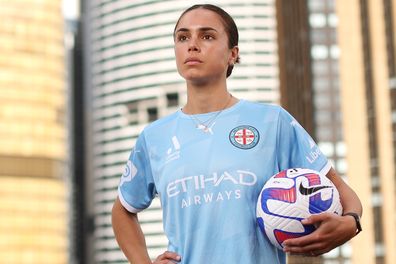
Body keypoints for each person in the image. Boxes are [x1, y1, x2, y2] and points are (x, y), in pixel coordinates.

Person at [111, 4, 362, 264]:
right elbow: (122, 211)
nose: (192, 45)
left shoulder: (272, 121)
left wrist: (351, 222)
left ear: (233, 54)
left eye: (207, 36)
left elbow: (343, 192)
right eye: (183, 37)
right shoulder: (155, 136)